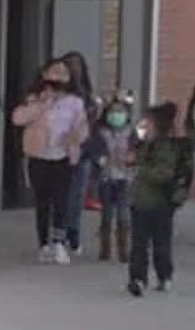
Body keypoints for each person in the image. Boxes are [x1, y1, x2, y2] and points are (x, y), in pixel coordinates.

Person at [11, 59, 90, 265]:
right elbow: (18, 119)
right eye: (54, 71)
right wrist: (42, 104)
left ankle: (59, 242)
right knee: (42, 201)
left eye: (63, 72)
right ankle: (43, 244)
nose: (58, 76)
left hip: (63, 155)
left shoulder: (74, 102)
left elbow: (82, 127)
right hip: (39, 155)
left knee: (62, 199)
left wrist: (75, 137)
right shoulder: (33, 99)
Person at [126, 101, 192, 297]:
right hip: (140, 201)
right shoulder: (145, 145)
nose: (144, 126)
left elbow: (163, 174)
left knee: (160, 243)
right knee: (138, 244)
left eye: (148, 122)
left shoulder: (167, 148)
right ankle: (138, 279)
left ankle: (164, 275)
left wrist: (139, 166)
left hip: (160, 203)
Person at [82, 96, 138, 262]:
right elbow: (90, 149)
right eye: (113, 112)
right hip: (105, 178)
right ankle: (105, 249)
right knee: (107, 214)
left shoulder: (131, 132)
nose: (116, 115)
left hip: (125, 178)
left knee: (123, 215)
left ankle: (123, 250)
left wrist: (133, 158)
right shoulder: (99, 131)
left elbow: (139, 152)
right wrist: (100, 158)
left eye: (120, 112)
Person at [57, 51, 99, 255]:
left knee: (76, 194)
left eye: (77, 66)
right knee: (62, 194)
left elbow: (92, 124)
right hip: (61, 150)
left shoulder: (87, 96)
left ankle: (71, 232)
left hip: (83, 150)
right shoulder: (57, 94)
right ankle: (61, 232)